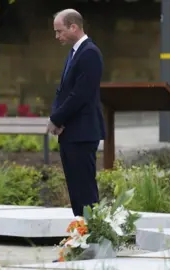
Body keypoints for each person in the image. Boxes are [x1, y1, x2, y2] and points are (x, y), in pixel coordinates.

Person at [48, 9, 106, 217]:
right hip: (71, 132)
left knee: (85, 190)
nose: (57, 36)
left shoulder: (89, 53)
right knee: (75, 189)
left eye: (59, 31)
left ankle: (92, 235)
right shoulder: (75, 52)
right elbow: (63, 90)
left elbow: (80, 94)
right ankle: (80, 233)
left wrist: (57, 118)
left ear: (74, 27)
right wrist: (56, 116)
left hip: (82, 132)